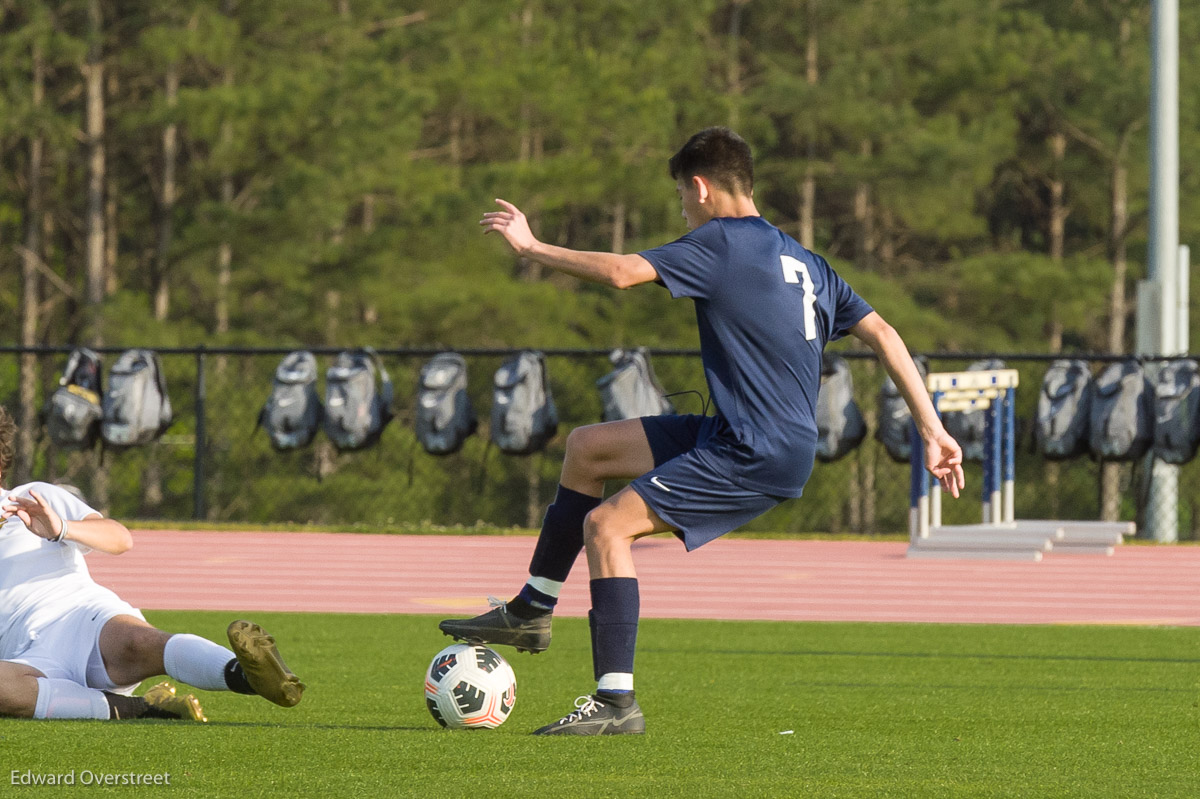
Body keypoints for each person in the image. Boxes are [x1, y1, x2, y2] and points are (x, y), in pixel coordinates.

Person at [440, 127, 964, 736]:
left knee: (607, 526)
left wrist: (532, 249)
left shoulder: (721, 243)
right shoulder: (807, 262)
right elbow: (887, 335)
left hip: (753, 448)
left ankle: (616, 702)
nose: (683, 214)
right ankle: (533, 607)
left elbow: (619, 273)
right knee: (589, 449)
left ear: (701, 187)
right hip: (744, 433)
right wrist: (933, 428)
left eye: (682, 201)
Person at [0, 408, 305, 722]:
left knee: (140, 643)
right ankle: (139, 709)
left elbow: (119, 539)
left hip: (80, 616)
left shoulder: (32, 498)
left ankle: (250, 676)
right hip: (25, 661)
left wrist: (62, 528)